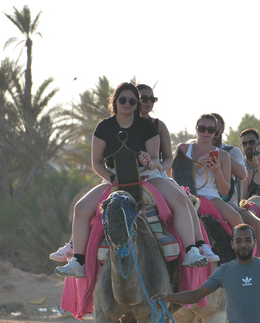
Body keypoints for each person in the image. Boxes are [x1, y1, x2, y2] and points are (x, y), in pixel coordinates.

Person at [52, 82, 216, 278]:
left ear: (136, 104)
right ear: (115, 101)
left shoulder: (146, 126)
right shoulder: (104, 127)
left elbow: (155, 159)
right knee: (80, 207)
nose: (127, 104)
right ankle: (78, 261)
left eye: (132, 100)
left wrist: (148, 162)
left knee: (181, 199)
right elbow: (96, 163)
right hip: (114, 178)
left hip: (147, 176)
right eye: (123, 100)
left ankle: (191, 250)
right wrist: (112, 178)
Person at [176, 114, 243, 231]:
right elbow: (174, 177)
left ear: (215, 132)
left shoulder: (223, 155)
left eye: (211, 130)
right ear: (196, 129)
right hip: (185, 192)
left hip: (211, 195)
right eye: (202, 129)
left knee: (236, 218)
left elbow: (224, 191)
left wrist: (217, 171)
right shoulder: (183, 148)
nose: (206, 133)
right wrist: (196, 165)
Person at [137, 84, 173, 174]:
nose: (149, 102)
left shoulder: (159, 125)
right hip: (130, 173)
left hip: (155, 172)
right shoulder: (126, 124)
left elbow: (168, 157)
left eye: (152, 99)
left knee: (177, 189)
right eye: (144, 99)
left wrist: (162, 166)